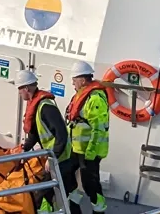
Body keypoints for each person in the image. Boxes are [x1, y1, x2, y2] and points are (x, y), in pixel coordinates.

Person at [17, 69, 78, 214]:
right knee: (66, 192)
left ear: (26, 88)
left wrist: (52, 157)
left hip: (62, 158)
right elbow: (35, 133)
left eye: (19, 89)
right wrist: (24, 149)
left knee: (42, 193)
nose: (19, 93)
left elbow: (61, 135)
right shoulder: (36, 105)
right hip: (60, 157)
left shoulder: (45, 107)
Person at [65, 61, 112, 212]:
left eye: (74, 79)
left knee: (90, 184)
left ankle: (99, 210)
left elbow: (99, 130)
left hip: (89, 152)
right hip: (76, 148)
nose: (72, 82)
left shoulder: (95, 99)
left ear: (83, 80)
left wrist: (90, 155)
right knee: (66, 174)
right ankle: (74, 207)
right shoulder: (79, 95)